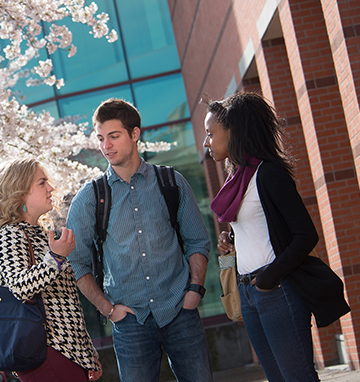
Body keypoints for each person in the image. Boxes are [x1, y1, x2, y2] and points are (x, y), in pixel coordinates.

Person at [66, 98, 213, 382]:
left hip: (180, 311)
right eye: (100, 138)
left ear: (135, 134)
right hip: (129, 322)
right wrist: (108, 310)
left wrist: (194, 290)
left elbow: (197, 240)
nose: (106, 145)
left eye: (114, 136)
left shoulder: (171, 182)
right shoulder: (88, 198)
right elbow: (76, 263)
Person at [204, 91, 321, 381]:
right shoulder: (236, 180)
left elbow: (306, 235)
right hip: (248, 293)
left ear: (233, 131)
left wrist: (269, 278)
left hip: (276, 289)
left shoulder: (269, 175)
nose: (206, 141)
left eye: (210, 133)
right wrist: (231, 246)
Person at [0, 158, 102, 382]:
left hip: (65, 352)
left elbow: (66, 302)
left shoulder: (36, 232)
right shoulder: (10, 234)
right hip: (44, 351)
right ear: (20, 193)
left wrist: (87, 353)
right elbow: (19, 287)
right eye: (42, 183)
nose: (51, 188)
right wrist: (56, 257)